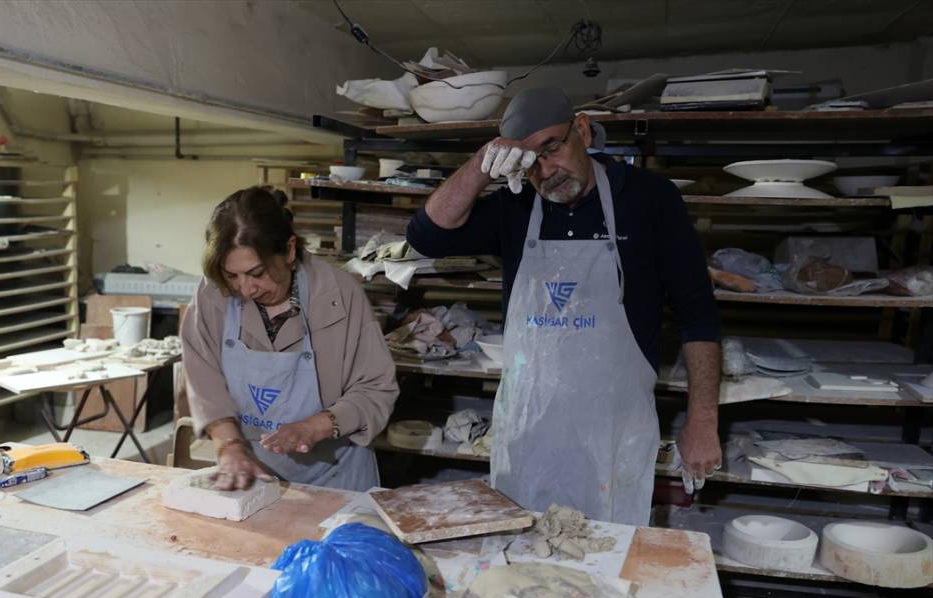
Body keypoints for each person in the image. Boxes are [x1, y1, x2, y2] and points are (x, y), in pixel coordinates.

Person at [406, 86, 722, 525]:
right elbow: (425, 235)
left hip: (613, 428)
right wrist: (482, 165)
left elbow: (698, 314)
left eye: (551, 147)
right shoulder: (515, 206)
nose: (545, 169)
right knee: (524, 551)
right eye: (528, 160)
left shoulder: (650, 198)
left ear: (583, 130)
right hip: (529, 426)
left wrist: (702, 421)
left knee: (607, 556)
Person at [182, 187, 398, 491]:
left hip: (336, 476)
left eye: (257, 273)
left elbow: (376, 388)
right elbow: (203, 379)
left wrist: (315, 426)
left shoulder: (338, 293)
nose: (246, 289)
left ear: (290, 250)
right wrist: (229, 447)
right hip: (251, 473)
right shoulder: (213, 293)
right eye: (233, 275)